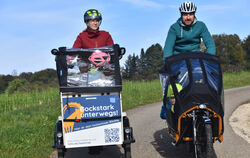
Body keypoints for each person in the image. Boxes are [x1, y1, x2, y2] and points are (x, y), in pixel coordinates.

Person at [161, 1, 215, 119]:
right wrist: (168, 64)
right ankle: (171, 108)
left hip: (196, 60)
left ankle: (204, 106)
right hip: (178, 61)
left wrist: (210, 60)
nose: (188, 17)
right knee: (177, 86)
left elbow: (210, 44)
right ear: (181, 14)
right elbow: (168, 48)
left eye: (190, 14)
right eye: (185, 14)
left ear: (194, 14)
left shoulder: (201, 26)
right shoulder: (174, 28)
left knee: (204, 81)